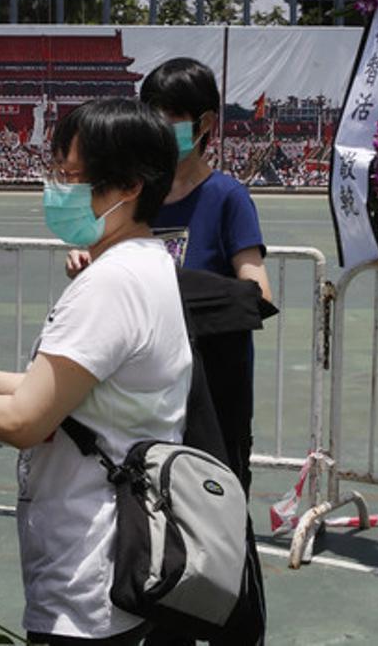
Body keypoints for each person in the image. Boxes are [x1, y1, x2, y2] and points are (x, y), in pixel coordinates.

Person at [0, 98, 190, 645]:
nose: (58, 188)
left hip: (88, 569)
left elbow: (26, 420)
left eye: (72, 176)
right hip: (119, 560)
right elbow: (61, 396)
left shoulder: (110, 283)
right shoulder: (149, 264)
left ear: (130, 186)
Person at [67, 57, 271, 495]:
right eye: (151, 114)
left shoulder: (228, 198)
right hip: (140, 393)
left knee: (211, 512)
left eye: (171, 116)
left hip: (210, 395)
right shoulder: (134, 195)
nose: (158, 127)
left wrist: (166, 291)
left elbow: (256, 292)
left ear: (205, 123)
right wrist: (89, 266)